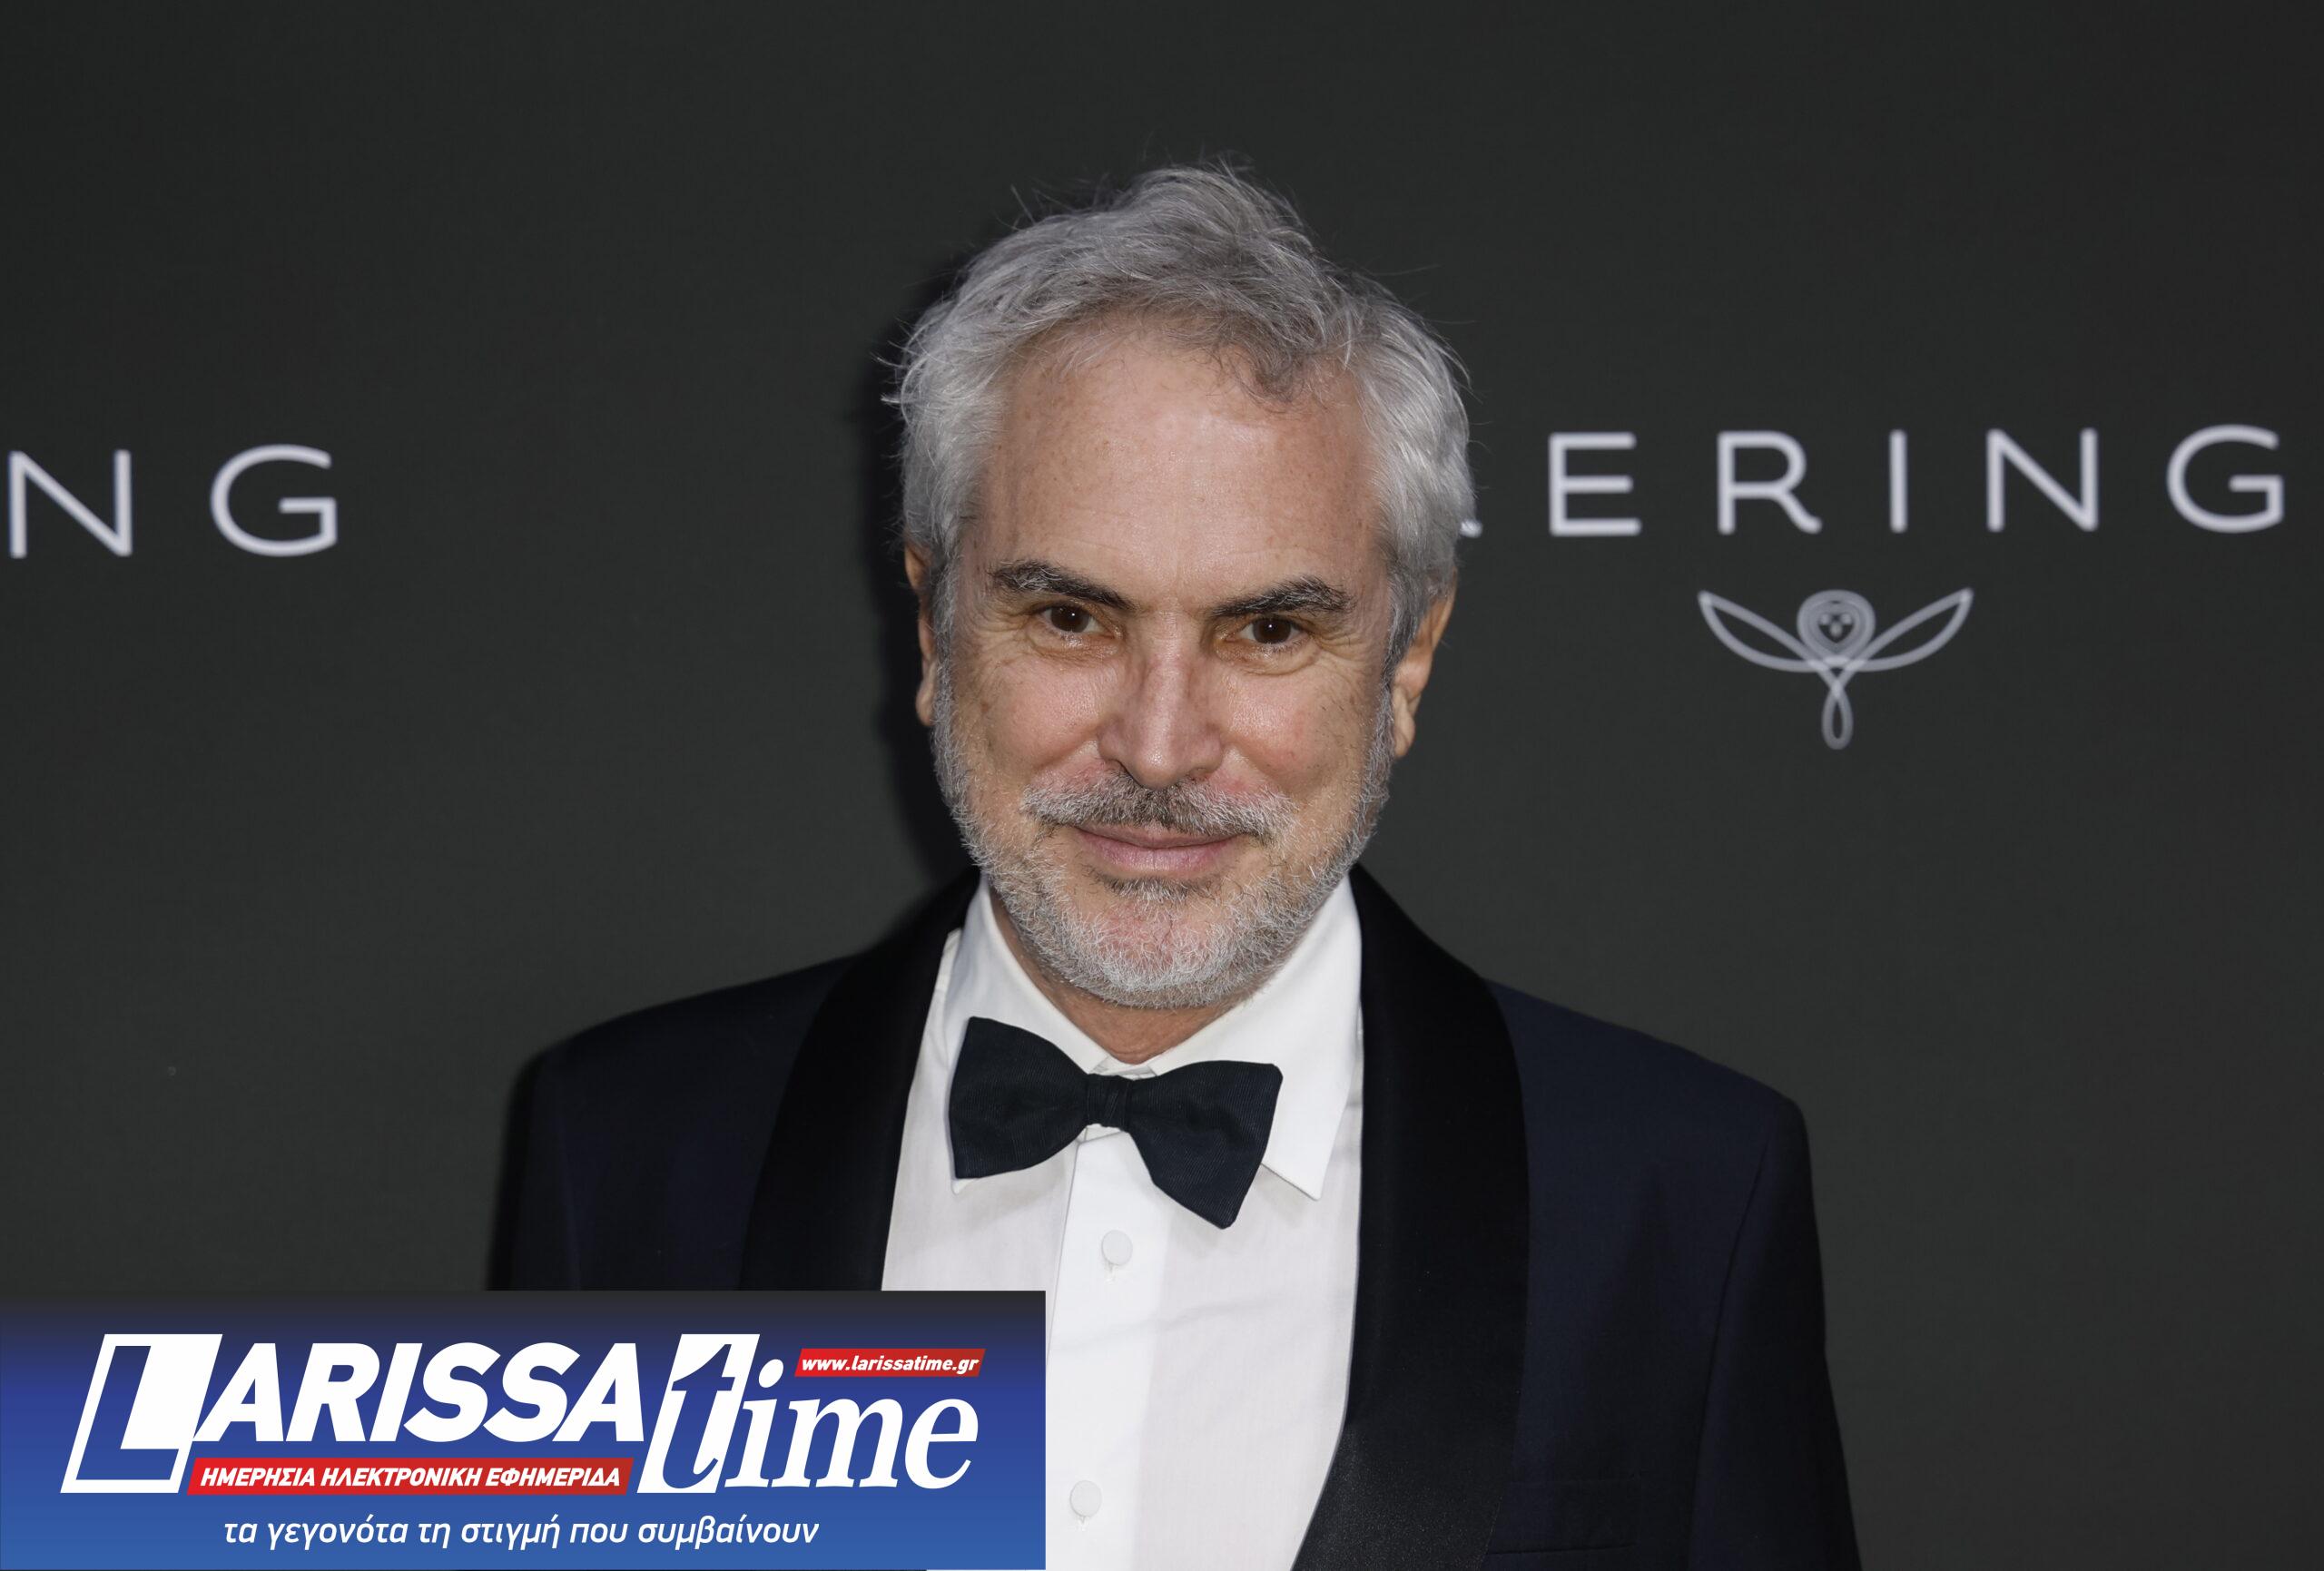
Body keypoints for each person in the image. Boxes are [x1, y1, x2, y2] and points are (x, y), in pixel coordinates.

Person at [500, 164, 1860, 1570]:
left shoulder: (1679, 1193)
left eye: (1268, 632)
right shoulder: (626, 1153)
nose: (1159, 746)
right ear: (934, 628)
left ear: (1407, 660)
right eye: (1070, 617)